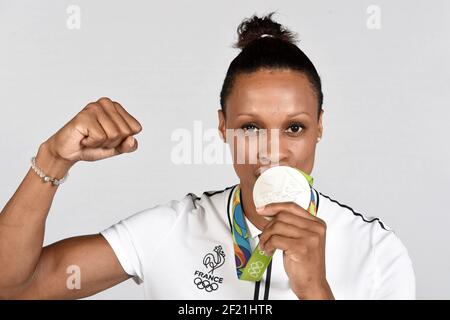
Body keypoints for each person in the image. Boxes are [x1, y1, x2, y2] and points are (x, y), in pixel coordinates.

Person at [0, 12, 415, 300]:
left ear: (320, 127)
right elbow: (14, 288)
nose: (272, 151)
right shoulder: (172, 229)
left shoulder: (377, 251)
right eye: (251, 127)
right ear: (223, 128)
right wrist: (53, 159)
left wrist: (315, 291)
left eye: (294, 127)